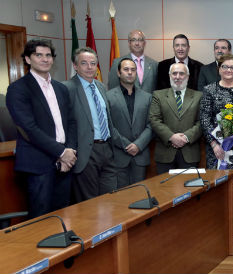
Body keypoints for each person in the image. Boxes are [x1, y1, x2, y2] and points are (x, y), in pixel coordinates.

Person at [6, 39, 76, 217]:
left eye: (48, 55)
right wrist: (61, 152)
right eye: (39, 55)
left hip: (65, 163)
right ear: (28, 59)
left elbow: (71, 122)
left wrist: (70, 152)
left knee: (64, 215)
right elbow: (29, 129)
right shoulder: (18, 89)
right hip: (38, 164)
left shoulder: (61, 88)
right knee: (41, 219)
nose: (45, 59)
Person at [200, 54, 233, 241]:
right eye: (225, 67)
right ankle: (221, 224)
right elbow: (205, 119)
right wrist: (214, 144)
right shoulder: (209, 90)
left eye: (232, 67)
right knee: (220, 184)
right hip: (218, 149)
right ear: (219, 69)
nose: (229, 70)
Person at [63, 47, 118, 202]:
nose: (89, 67)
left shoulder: (100, 86)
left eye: (93, 63)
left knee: (111, 199)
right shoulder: (67, 88)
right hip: (85, 152)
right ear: (75, 66)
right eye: (84, 63)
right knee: (90, 204)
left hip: (107, 149)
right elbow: (64, 123)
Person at [106, 58, 153, 187]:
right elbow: (109, 126)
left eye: (133, 69)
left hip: (140, 155)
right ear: (118, 73)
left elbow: (151, 125)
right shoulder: (108, 96)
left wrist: (138, 145)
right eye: (126, 69)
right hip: (119, 156)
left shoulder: (147, 97)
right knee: (121, 197)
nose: (130, 72)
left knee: (140, 195)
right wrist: (126, 145)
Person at [149, 62, 203, 174]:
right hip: (165, 153)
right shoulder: (158, 95)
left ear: (187, 76)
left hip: (190, 153)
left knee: (190, 190)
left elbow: (201, 121)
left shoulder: (199, 96)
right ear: (169, 76)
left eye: (181, 73)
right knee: (164, 190)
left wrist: (186, 137)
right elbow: (154, 119)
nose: (177, 77)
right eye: (174, 73)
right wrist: (171, 137)